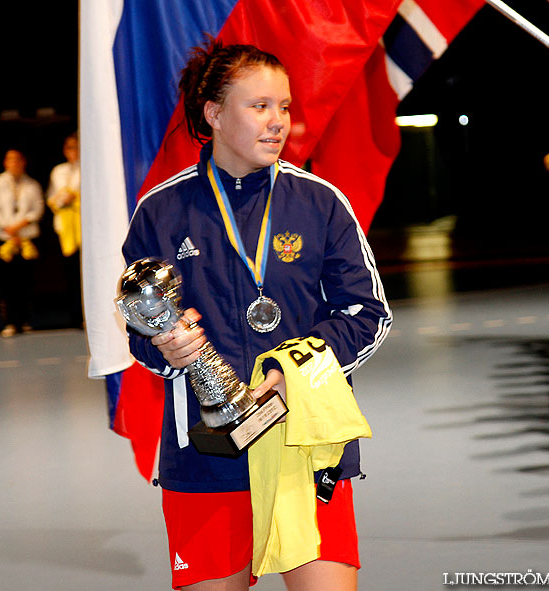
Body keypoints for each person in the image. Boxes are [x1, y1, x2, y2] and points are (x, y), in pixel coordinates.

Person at [121, 42, 392, 590]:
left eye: (285, 107)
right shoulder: (161, 211)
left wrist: (292, 370)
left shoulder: (320, 203)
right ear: (214, 114)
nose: (278, 123)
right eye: (260, 106)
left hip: (305, 443)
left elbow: (367, 313)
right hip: (206, 456)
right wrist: (165, 350)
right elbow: (141, 327)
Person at [0, 149, 44, 337]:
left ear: (23, 162)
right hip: (5, 238)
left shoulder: (32, 184)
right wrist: (9, 228)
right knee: (6, 282)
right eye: (11, 160)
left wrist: (20, 226)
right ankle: (9, 321)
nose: (15, 164)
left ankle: (25, 319)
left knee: (25, 280)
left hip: (27, 238)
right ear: (5, 163)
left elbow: (37, 209)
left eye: (18, 160)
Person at [46, 132, 82, 327]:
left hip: (84, 228)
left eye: (76, 147)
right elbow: (52, 198)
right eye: (69, 148)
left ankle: (87, 314)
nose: (73, 151)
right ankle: (75, 315)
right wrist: (64, 198)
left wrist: (74, 196)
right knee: (70, 273)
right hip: (66, 228)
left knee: (86, 273)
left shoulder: (88, 168)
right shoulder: (58, 171)